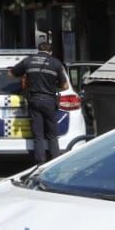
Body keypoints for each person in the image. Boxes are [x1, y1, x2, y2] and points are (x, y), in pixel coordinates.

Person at [11, 32, 70, 164]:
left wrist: (25, 79)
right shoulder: (56, 63)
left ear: (39, 50)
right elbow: (65, 86)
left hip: (34, 100)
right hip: (49, 100)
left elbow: (12, 73)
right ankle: (55, 161)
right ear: (50, 52)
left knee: (38, 135)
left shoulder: (29, 60)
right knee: (52, 135)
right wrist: (54, 87)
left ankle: (40, 162)